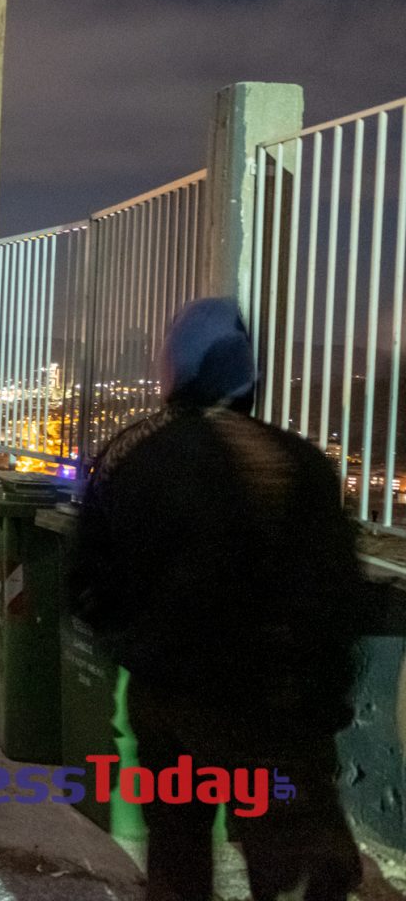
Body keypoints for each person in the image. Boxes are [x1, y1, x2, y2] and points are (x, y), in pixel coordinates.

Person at [72, 298, 363, 901]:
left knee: (176, 852)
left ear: (174, 370)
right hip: (275, 705)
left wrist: (139, 647)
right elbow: (337, 595)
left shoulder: (130, 456)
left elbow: (88, 584)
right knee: (288, 861)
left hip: (168, 694)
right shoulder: (299, 462)